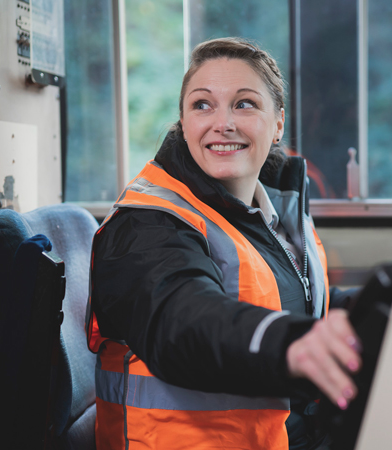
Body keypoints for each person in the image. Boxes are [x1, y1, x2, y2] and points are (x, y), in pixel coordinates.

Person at [86, 37, 361, 450]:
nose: (222, 123)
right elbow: (182, 320)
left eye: (244, 104)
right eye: (202, 105)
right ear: (183, 120)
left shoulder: (272, 211)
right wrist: (290, 342)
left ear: (279, 123)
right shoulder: (147, 223)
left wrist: (385, 307)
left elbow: (298, 300)